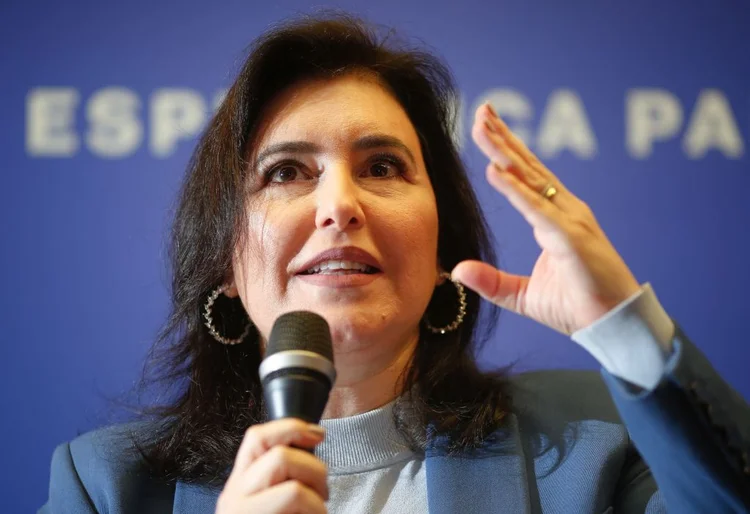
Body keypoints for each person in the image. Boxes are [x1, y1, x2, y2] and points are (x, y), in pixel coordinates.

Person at [40, 13, 750, 514]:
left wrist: (626, 326)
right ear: (223, 263)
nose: (339, 205)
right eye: (287, 172)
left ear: (443, 249)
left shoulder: (593, 442)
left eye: (382, 166)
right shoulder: (110, 485)